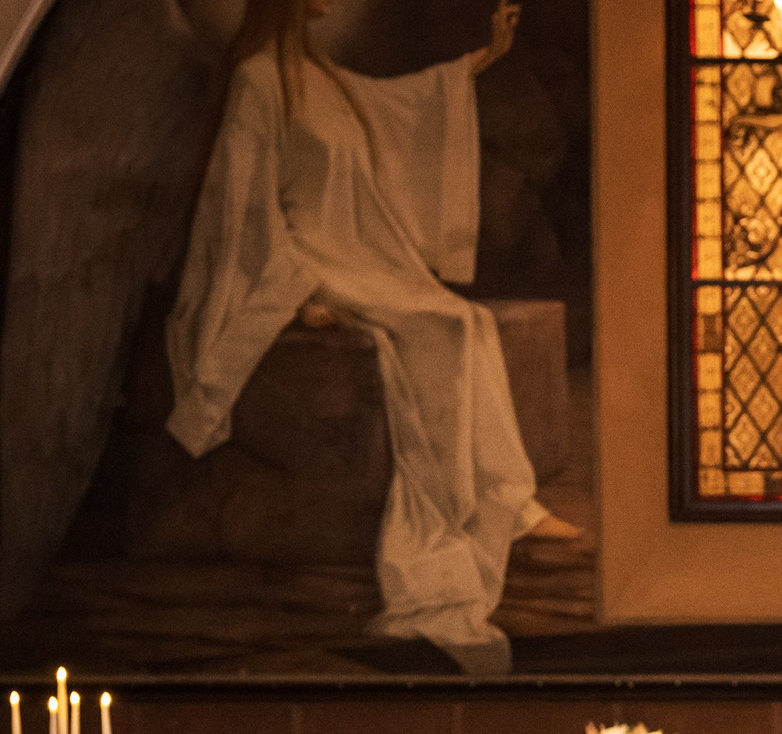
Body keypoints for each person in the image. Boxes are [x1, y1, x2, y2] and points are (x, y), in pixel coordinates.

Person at [164, 0, 580, 677]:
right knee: (441, 331)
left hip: (362, 254)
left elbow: (402, 112)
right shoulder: (259, 81)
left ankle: (509, 498)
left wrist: (482, 62)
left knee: (469, 322)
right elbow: (240, 202)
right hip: (314, 261)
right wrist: (297, 296)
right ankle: (443, 546)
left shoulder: (320, 74)